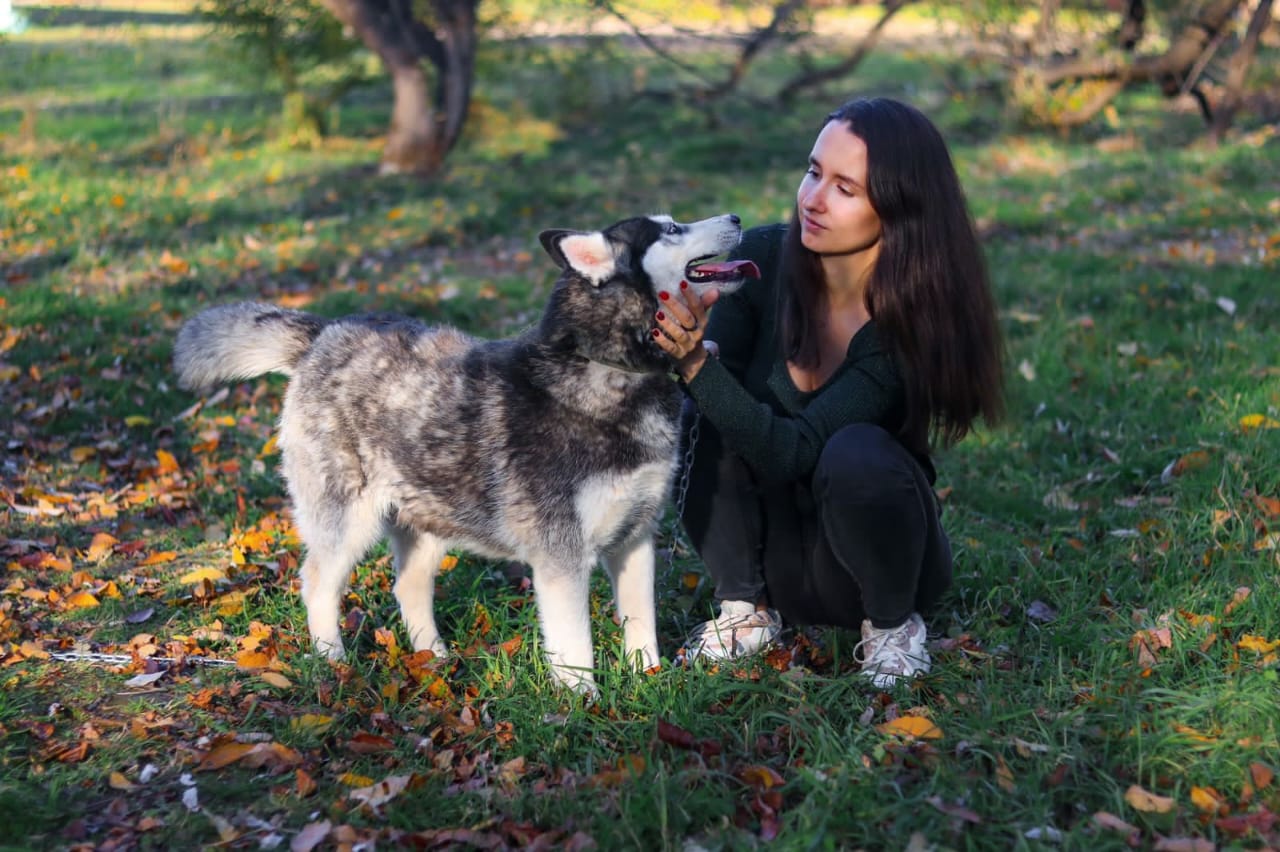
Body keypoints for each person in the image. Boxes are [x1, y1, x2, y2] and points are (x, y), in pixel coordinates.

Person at [650, 96, 1004, 688]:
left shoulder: (905, 327)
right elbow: (709, 413)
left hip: (871, 567)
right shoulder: (759, 260)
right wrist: (682, 342)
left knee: (855, 451)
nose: (813, 199)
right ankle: (744, 615)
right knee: (700, 410)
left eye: (845, 188)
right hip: (773, 563)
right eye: (813, 172)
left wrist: (695, 367)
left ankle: (894, 630)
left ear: (898, 209)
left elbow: (795, 450)